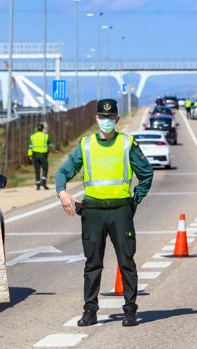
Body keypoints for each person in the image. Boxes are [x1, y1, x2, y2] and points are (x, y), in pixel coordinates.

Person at [55, 99, 153, 327]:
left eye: (111, 118)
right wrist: (62, 193)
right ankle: (90, 311)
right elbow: (63, 172)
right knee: (92, 264)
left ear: (116, 119)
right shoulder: (86, 145)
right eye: (103, 117)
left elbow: (146, 173)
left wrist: (134, 200)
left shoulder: (127, 143)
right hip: (93, 213)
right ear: (96, 119)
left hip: (120, 211)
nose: (106, 121)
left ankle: (130, 310)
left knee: (126, 261)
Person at [28, 123, 52, 190]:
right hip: (43, 155)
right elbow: (50, 145)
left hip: (35, 156)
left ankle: (38, 184)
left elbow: (30, 147)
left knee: (37, 170)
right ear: (42, 129)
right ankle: (43, 182)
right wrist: (49, 150)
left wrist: (30, 155)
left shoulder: (32, 136)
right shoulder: (46, 136)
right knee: (45, 169)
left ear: (37, 129)